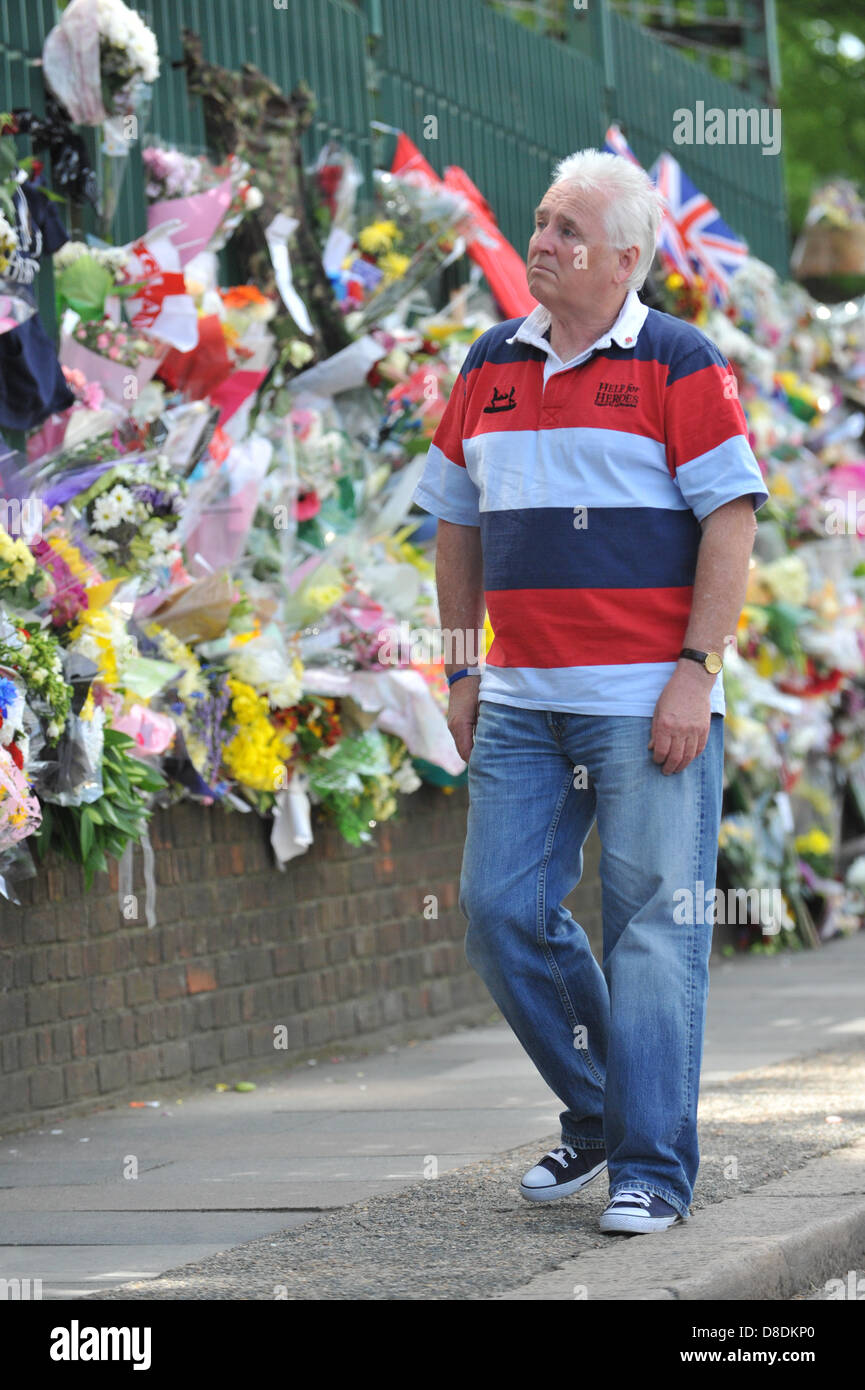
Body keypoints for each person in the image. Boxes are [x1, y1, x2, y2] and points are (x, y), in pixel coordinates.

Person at [411, 149, 767, 1234]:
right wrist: (461, 667)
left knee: (652, 931)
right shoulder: (488, 363)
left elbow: (731, 520)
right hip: (519, 700)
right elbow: (454, 523)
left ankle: (652, 1168)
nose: (543, 241)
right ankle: (604, 1111)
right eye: (540, 219)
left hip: (646, 697)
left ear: (623, 257)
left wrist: (693, 674)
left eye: (569, 229)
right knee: (499, 909)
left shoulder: (677, 360)